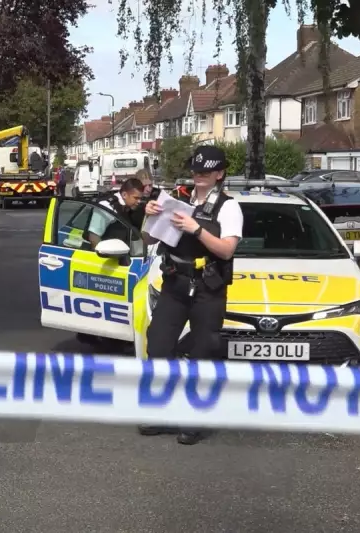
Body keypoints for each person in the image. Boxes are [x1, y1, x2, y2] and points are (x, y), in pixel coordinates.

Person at [138, 145, 244, 445]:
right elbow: (149, 238)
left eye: (205, 172)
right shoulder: (178, 200)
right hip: (175, 282)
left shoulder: (228, 207)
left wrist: (196, 229)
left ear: (219, 174)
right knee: (158, 345)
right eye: (195, 171)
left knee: (202, 353)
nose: (198, 177)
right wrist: (149, 216)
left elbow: (226, 249)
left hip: (207, 288)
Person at [88, 177, 145, 248]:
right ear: (124, 195)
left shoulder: (128, 207)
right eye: (136, 198)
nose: (139, 201)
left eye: (140, 198)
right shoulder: (107, 206)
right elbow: (94, 237)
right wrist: (105, 255)